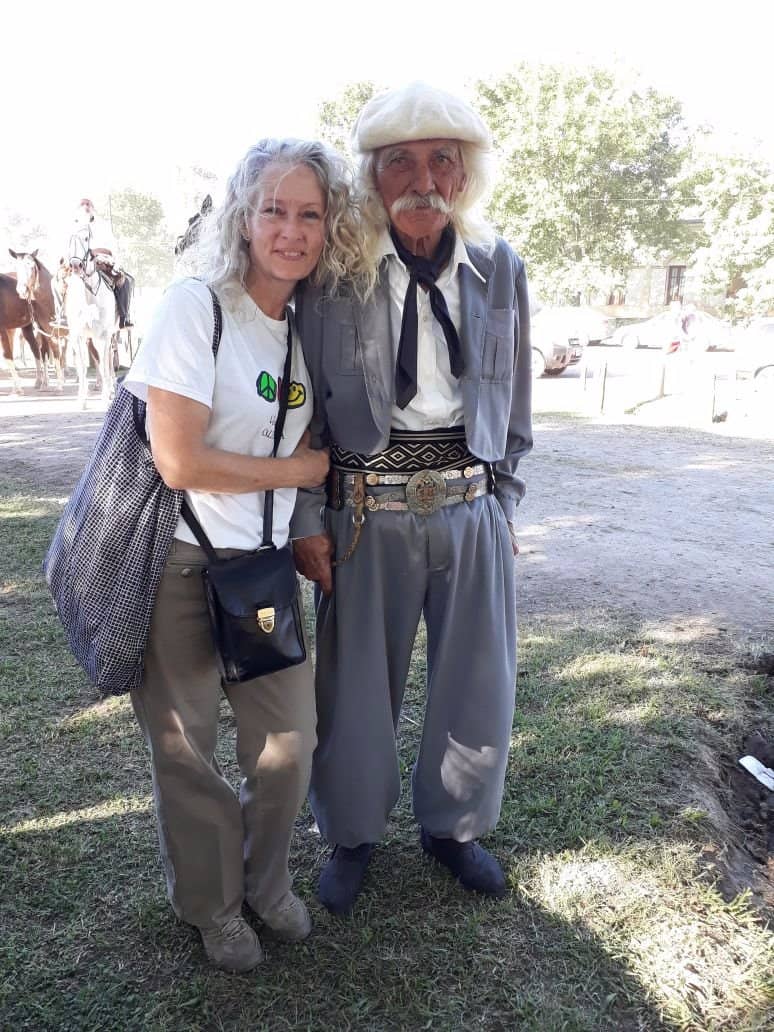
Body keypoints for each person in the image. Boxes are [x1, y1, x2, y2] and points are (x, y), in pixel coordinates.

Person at [291, 83, 533, 915]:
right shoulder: (333, 275)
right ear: (373, 178)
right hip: (363, 512)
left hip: (471, 502)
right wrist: (306, 522)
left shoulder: (501, 265)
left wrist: (505, 504)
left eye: (442, 161)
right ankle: (353, 834)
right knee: (355, 684)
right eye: (400, 162)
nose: (422, 178)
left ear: (466, 176)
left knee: (477, 680)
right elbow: (304, 411)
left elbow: (517, 397)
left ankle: (453, 830)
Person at [122, 138, 363, 971]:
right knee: (186, 752)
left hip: (260, 575)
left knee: (286, 743)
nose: (290, 230)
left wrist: (301, 517)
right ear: (243, 216)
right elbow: (179, 459)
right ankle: (215, 908)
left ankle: (266, 886)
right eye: (274, 210)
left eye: (309, 214)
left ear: (330, 229)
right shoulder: (197, 306)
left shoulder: (306, 337)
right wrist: (298, 471)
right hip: (182, 568)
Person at [53, 198, 134, 329]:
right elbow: (67, 248)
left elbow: (110, 248)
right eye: (82, 204)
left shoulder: (102, 226)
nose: (86, 206)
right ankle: (62, 315)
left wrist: (95, 252)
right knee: (55, 281)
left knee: (126, 281)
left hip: (100, 262)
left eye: (88, 204)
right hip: (76, 263)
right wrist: (65, 259)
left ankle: (123, 317)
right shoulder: (73, 227)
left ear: (93, 209)